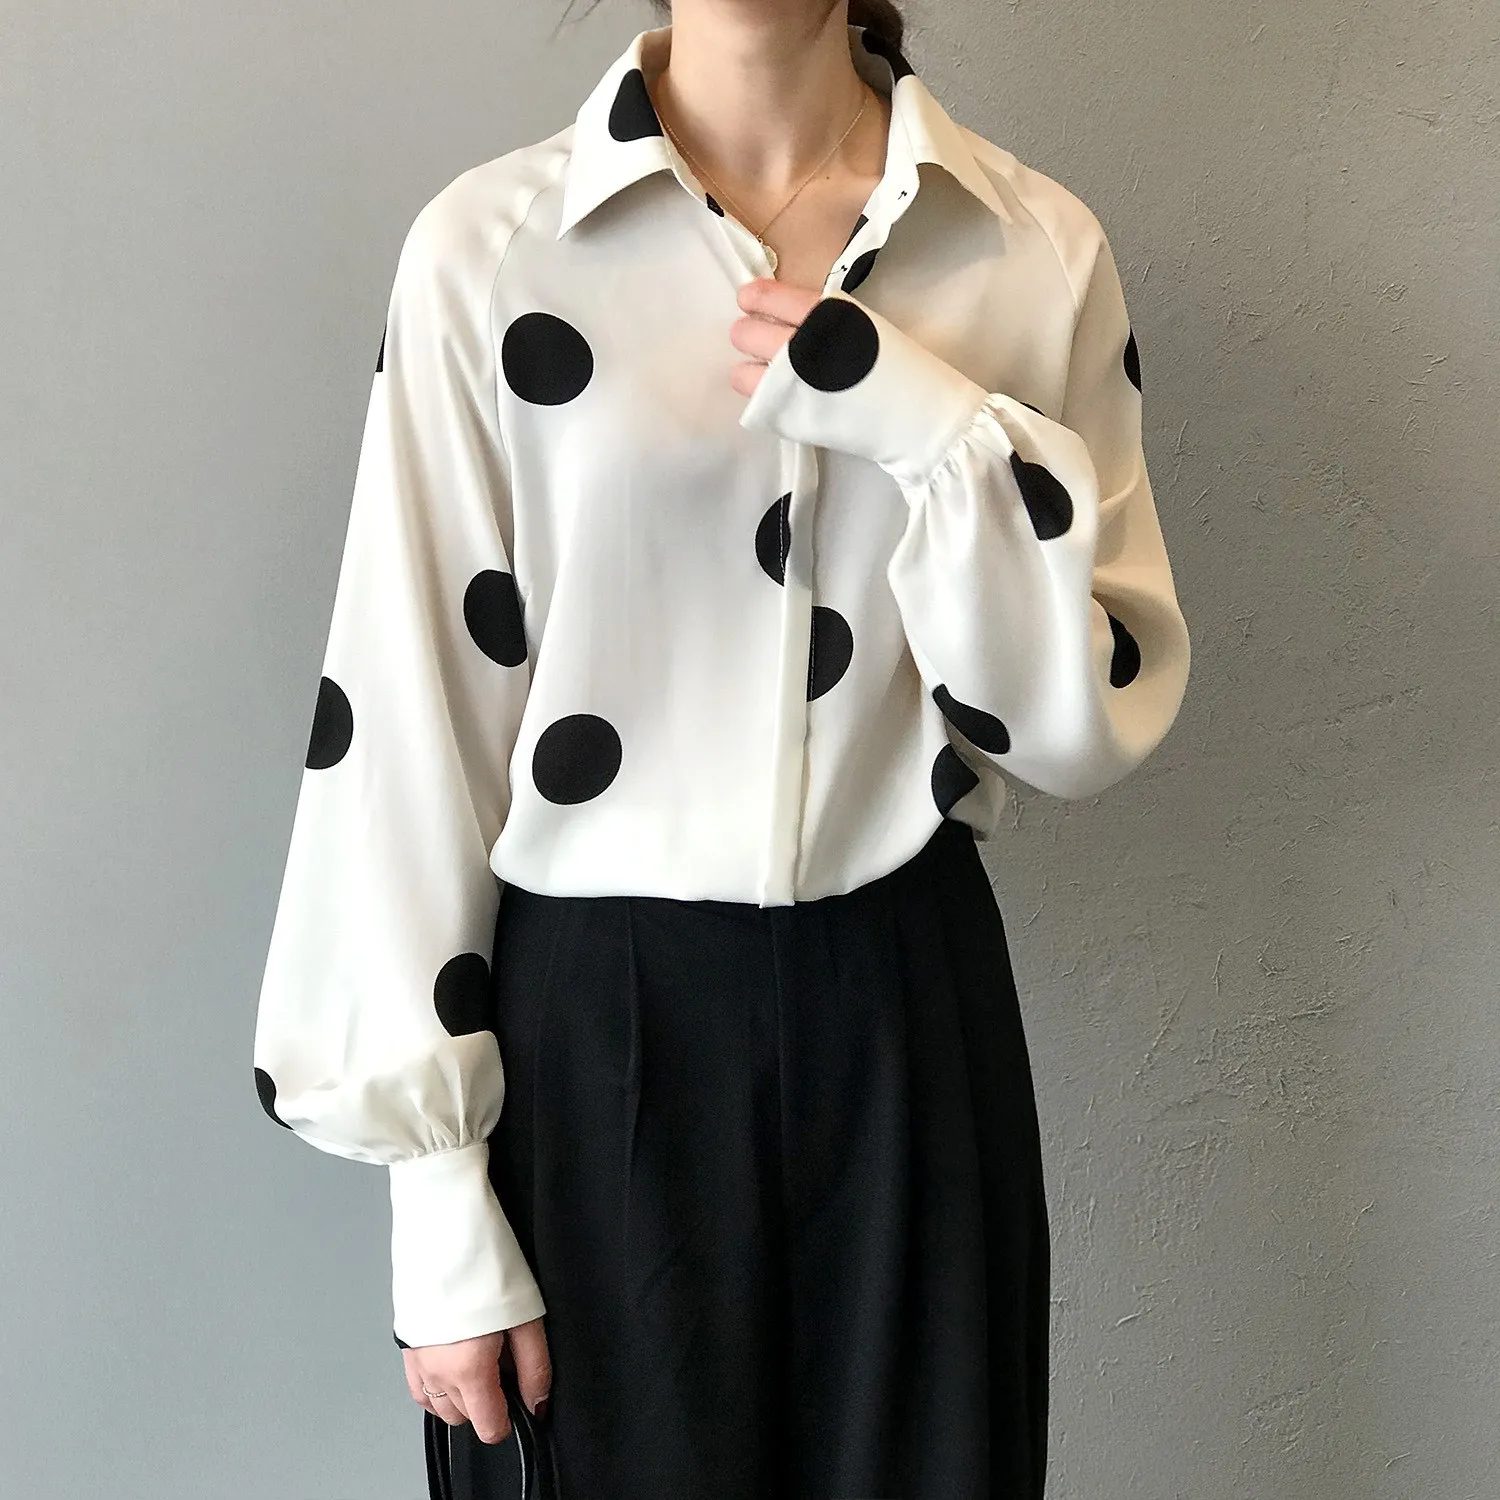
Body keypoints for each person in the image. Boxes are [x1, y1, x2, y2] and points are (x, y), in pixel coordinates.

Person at [252, 0, 1192, 1495]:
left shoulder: (1033, 251)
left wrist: (939, 436)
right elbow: (408, 705)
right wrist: (432, 1185)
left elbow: (1079, 724)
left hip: (904, 1008)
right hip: (592, 1029)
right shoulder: (494, 251)